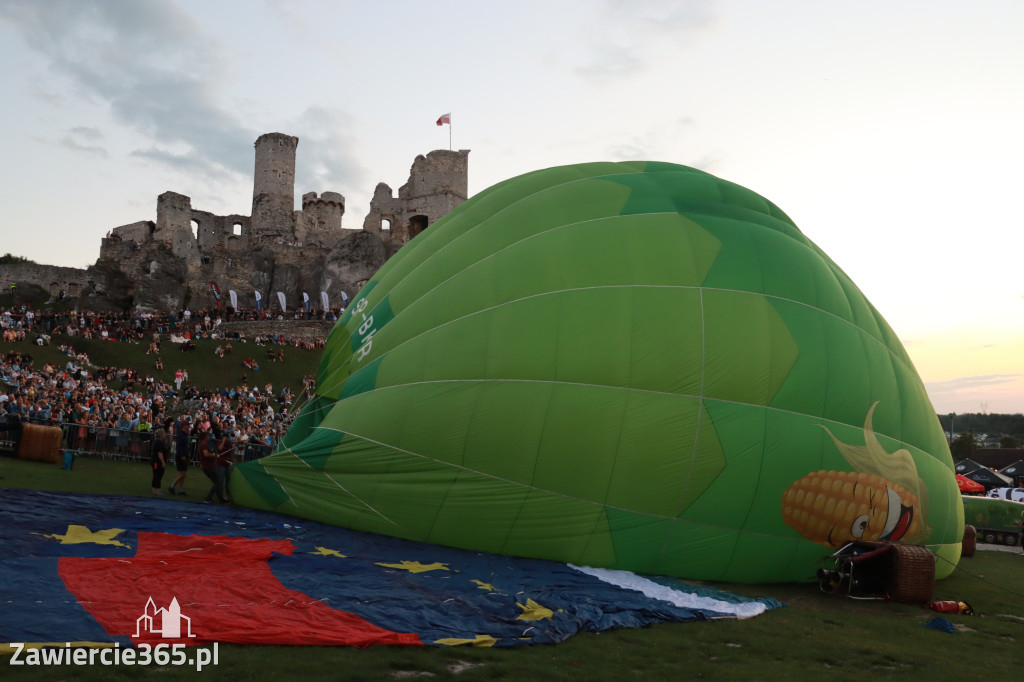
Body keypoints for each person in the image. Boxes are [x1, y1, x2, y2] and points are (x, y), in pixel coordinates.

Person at [199, 431, 226, 504]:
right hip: (209, 467)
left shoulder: (204, 444)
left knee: (217, 483)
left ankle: (220, 498)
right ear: (204, 437)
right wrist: (214, 455)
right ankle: (208, 498)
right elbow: (206, 454)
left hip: (210, 466)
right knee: (218, 482)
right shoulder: (204, 445)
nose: (209, 437)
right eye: (208, 436)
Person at [168, 417, 190, 495]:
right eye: (187, 425)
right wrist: (182, 455)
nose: (188, 427)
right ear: (184, 426)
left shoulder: (184, 434)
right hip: (181, 455)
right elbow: (179, 446)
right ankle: (172, 486)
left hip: (183, 455)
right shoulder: (181, 434)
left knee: (183, 473)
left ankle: (180, 489)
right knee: (183, 474)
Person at [150, 427, 168, 495]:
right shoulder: (160, 442)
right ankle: (157, 490)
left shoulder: (156, 441)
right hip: (157, 462)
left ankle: (154, 489)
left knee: (155, 474)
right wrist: (163, 462)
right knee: (158, 475)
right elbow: (159, 453)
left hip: (154, 462)